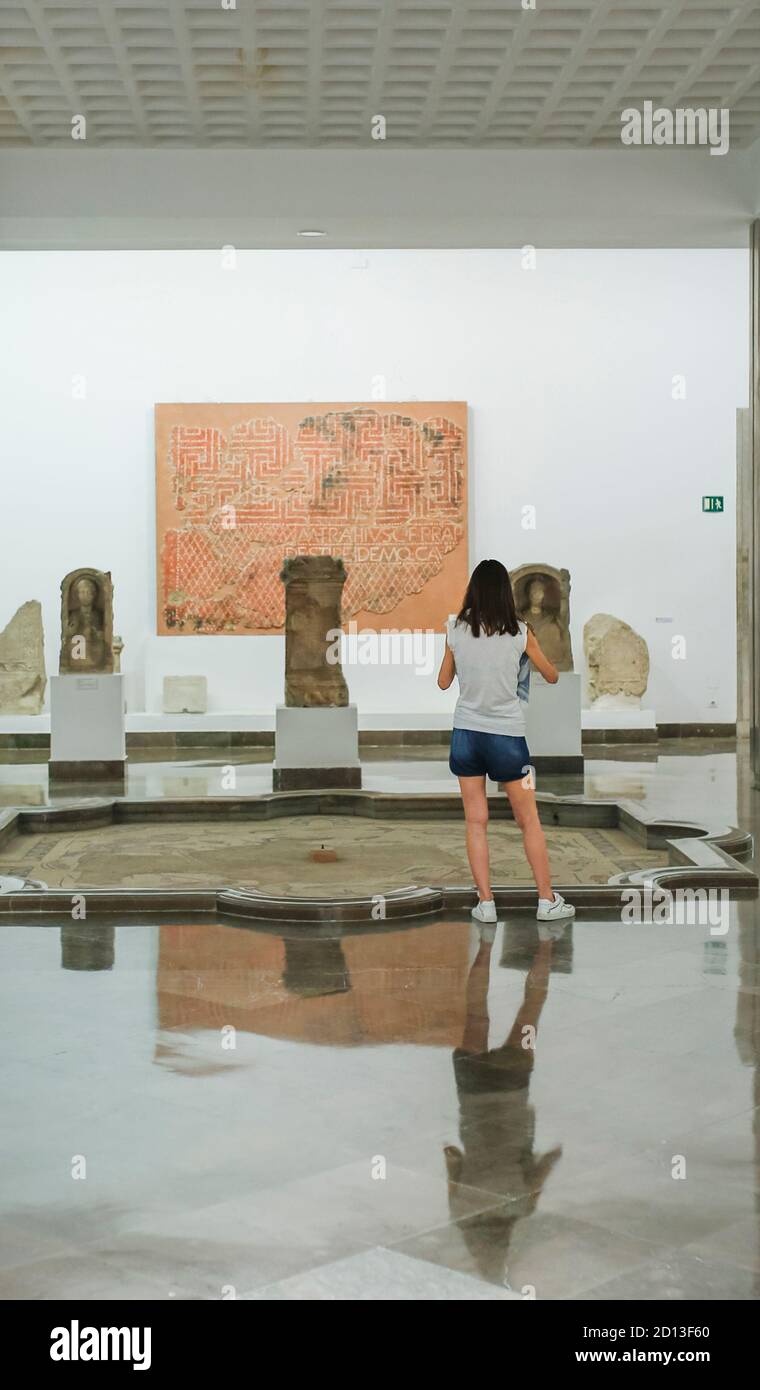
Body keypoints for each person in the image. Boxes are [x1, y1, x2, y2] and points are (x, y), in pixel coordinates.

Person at [437, 558, 575, 924]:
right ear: (505, 593)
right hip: (510, 743)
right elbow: (552, 674)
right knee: (529, 819)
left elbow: (443, 682)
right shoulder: (519, 632)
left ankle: (485, 903)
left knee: (475, 821)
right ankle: (546, 901)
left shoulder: (455, 628)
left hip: (466, 737)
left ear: (473, 590)